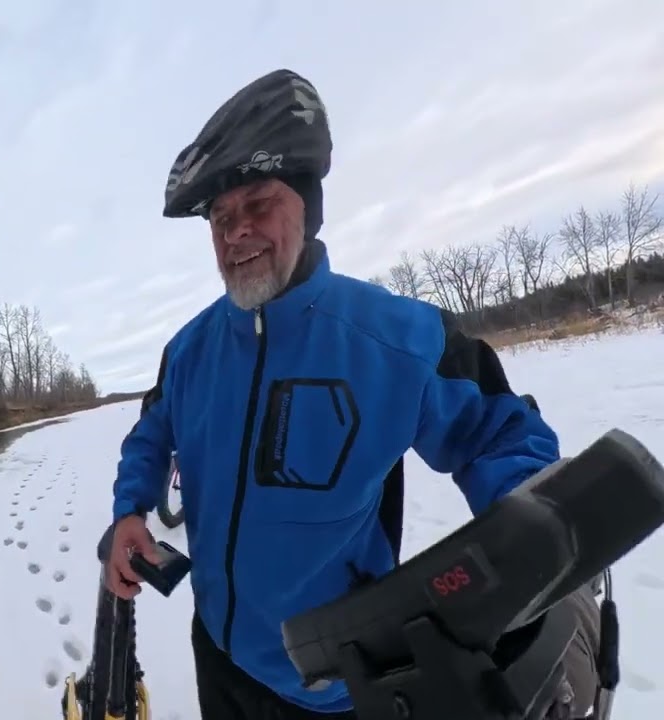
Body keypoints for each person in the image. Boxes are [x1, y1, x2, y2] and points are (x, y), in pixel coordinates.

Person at [103, 68, 602, 720]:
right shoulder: (190, 351)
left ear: (306, 207)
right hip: (219, 655)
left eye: (258, 204)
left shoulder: (393, 338)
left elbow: (500, 431)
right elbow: (151, 428)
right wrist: (129, 509)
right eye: (220, 217)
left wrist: (530, 531)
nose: (235, 232)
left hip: (337, 687)